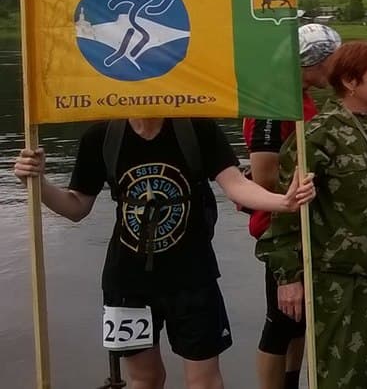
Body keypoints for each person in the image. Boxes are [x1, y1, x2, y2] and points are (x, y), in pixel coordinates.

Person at [12, 123, 314, 388]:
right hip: (126, 284)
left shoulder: (197, 129)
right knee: (145, 379)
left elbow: (236, 185)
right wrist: (38, 184)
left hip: (193, 278)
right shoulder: (102, 137)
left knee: (204, 381)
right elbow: (76, 206)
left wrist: (283, 202)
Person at [257, 41, 367, 388]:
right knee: (340, 376)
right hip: (339, 281)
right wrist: (288, 277)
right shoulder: (317, 135)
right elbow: (287, 212)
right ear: (349, 81)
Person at [245, 23, 340, 389]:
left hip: (305, 221)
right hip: (279, 225)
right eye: (333, 60)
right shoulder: (273, 101)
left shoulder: (301, 96)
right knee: (281, 320)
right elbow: (264, 176)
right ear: (312, 61)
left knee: (299, 320)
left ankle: (290, 383)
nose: (337, 69)